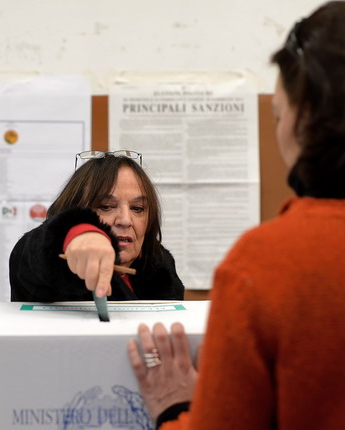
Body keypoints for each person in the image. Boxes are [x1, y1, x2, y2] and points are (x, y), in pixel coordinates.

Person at [127, 2, 345, 429]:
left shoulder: (267, 263)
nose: (123, 219)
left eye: (280, 114)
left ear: (306, 121)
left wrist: (176, 409)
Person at [9, 150, 184, 302]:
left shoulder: (160, 264)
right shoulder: (49, 259)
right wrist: (78, 233)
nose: (125, 220)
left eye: (137, 208)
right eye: (106, 207)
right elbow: (32, 252)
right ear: (73, 210)